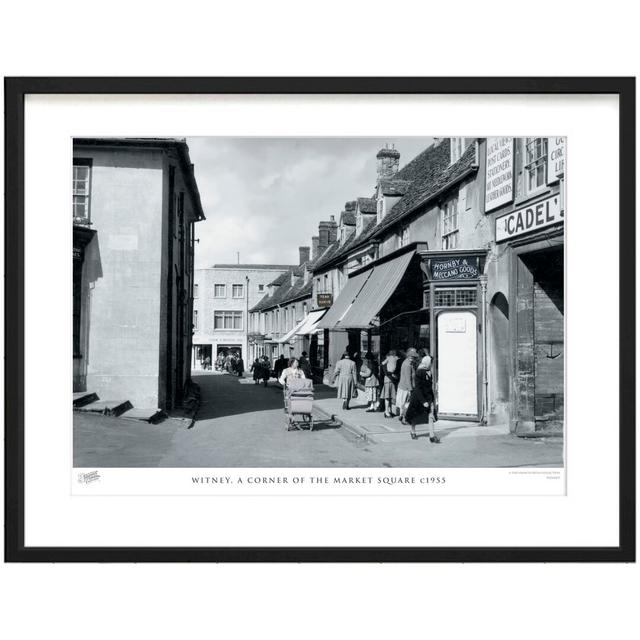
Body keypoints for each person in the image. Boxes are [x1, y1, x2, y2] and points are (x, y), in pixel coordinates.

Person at [405, 355, 440, 443]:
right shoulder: (419, 372)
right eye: (430, 363)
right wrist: (423, 401)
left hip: (428, 397)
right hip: (418, 398)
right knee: (415, 416)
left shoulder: (429, 372)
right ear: (427, 362)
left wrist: (432, 399)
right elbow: (418, 388)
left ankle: (432, 436)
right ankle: (412, 431)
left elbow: (429, 387)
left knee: (431, 416)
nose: (431, 364)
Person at [396, 347, 418, 425]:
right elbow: (408, 378)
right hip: (406, 388)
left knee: (404, 404)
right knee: (407, 405)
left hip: (404, 386)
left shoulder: (407, 362)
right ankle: (404, 419)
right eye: (411, 356)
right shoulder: (408, 365)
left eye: (413, 356)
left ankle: (401, 416)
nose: (413, 357)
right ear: (408, 356)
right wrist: (410, 389)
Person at [380, 350, 400, 418]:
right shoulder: (396, 358)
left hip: (388, 379)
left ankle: (388, 411)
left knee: (388, 396)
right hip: (390, 379)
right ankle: (387, 411)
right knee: (389, 396)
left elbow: (382, 363)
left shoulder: (388, 358)